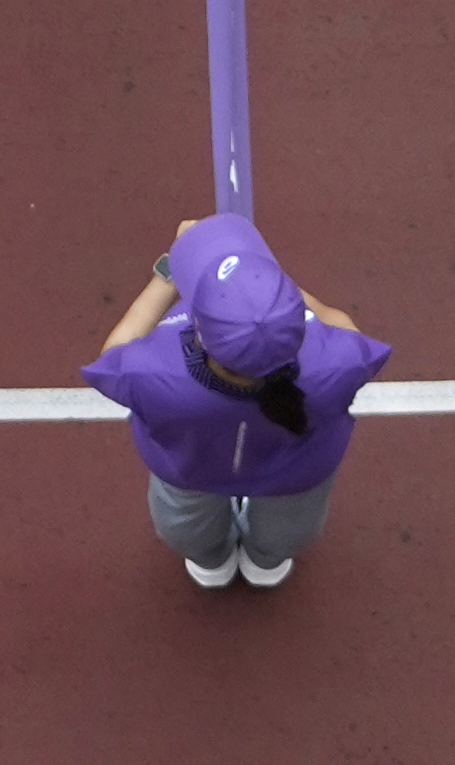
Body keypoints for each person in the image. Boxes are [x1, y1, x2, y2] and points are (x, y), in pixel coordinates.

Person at [83, 210, 390, 590]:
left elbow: (113, 354)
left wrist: (171, 269)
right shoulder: (336, 366)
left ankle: (211, 563)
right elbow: (344, 329)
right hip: (295, 475)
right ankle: (265, 564)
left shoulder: (151, 376)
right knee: (286, 534)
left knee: (188, 531)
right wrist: (269, 289)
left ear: (199, 334)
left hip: (190, 472)